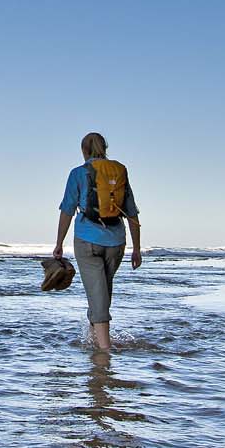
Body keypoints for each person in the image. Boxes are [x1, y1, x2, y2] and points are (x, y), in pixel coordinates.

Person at [51, 131, 141, 351]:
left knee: (97, 291)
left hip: (87, 239)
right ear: (105, 148)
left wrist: (59, 243)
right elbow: (132, 213)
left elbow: (67, 210)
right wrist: (136, 249)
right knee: (102, 289)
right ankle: (94, 339)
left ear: (84, 151)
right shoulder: (119, 172)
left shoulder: (78, 173)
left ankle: (104, 351)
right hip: (117, 241)